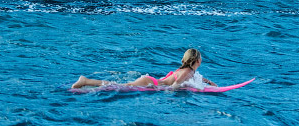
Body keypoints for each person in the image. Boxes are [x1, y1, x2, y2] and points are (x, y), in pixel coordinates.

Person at [71, 48, 218, 89]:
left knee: (120, 86)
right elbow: (175, 85)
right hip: (151, 83)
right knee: (119, 86)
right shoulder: (187, 71)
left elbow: (193, 77)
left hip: (150, 80)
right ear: (198, 60)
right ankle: (86, 81)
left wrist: (208, 82)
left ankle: (88, 83)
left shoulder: (188, 70)